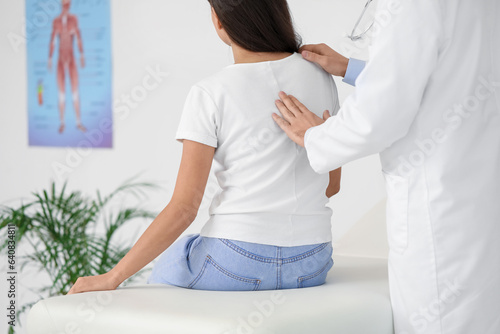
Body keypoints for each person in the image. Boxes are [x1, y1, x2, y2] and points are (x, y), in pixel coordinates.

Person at [67, 0, 341, 294]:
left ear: (219, 20)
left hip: (236, 261)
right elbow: (331, 186)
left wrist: (111, 277)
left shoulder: (210, 92)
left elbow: (185, 208)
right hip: (312, 261)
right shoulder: (322, 76)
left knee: (173, 260)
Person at [272, 0, 500, 333]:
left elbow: (380, 117)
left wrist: (317, 136)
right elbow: (449, 75)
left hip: (439, 206)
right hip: (479, 194)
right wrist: (354, 69)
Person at [48, 0, 87, 134]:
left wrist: (82, 54)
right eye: (64, 4)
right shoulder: (56, 21)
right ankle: (62, 122)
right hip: (60, 59)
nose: (66, 7)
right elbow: (53, 40)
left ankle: (78, 122)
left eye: (68, 4)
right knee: (61, 93)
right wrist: (49, 58)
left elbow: (78, 37)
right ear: (61, 5)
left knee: (75, 91)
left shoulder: (73, 19)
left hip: (71, 58)